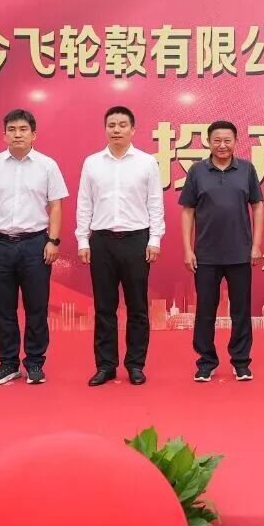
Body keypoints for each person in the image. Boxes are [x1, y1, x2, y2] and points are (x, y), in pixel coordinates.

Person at [0, 108, 68, 386]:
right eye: (12, 130)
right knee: (3, 308)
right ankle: (8, 363)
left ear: (33, 134)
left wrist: (53, 240)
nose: (17, 135)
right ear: (4, 136)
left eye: (23, 129)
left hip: (35, 244)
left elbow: (56, 205)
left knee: (36, 307)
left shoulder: (47, 166)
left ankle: (35, 362)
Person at [76, 106, 164, 387]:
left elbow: (155, 203)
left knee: (137, 307)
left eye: (122, 125)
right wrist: (82, 239)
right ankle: (106, 366)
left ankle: (135, 364)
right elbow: (84, 203)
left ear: (133, 129)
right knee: (104, 307)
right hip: (101, 241)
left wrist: (154, 239)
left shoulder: (147, 162)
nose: (116, 129)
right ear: (105, 129)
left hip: (137, 240)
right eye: (111, 125)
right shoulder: (92, 163)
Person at [179, 120, 264, 382]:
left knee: (241, 310)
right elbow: (188, 211)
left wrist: (256, 245)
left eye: (227, 140)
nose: (222, 145)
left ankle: (241, 362)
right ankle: (206, 362)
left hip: (240, 253)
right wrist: (188, 249)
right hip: (206, 255)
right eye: (217, 140)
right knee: (206, 310)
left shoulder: (246, 169)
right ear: (208, 141)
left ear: (236, 142)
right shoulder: (197, 171)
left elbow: (257, 206)